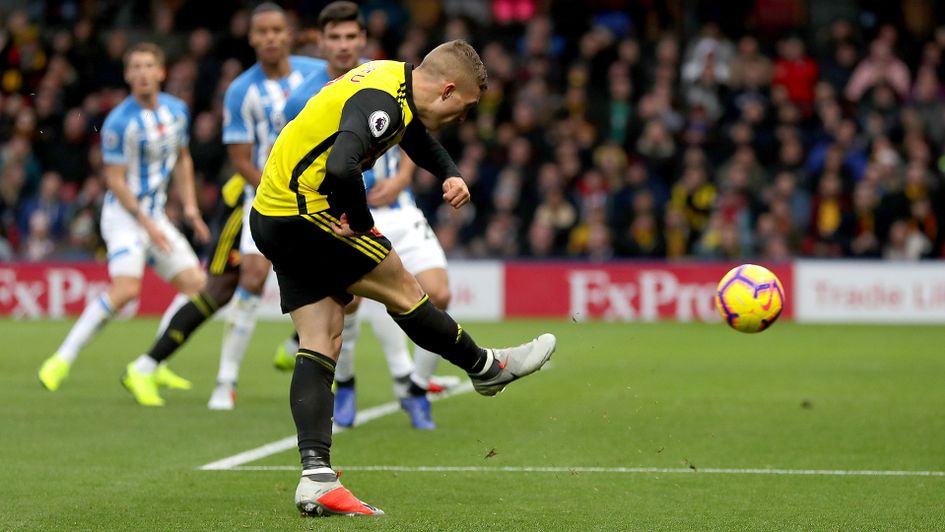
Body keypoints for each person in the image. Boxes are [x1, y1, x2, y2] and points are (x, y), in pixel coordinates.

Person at [250, 40, 557, 516]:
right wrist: (358, 219)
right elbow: (341, 164)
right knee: (403, 286)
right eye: (467, 107)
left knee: (322, 337)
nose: (465, 117)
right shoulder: (382, 102)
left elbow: (410, 134)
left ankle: (316, 477)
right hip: (307, 213)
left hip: (272, 215)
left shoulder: (392, 78)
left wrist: (449, 172)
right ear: (449, 89)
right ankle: (486, 368)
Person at [127, 3, 325, 410]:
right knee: (240, 282)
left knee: (338, 280)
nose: (270, 37)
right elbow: (240, 158)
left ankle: (293, 348)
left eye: (277, 30)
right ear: (251, 38)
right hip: (258, 197)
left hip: (316, 198)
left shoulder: (314, 74)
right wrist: (281, 192)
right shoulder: (240, 91)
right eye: (262, 32)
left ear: (287, 34)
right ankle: (223, 381)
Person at [273, 1, 455, 430]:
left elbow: (414, 134)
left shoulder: (386, 76)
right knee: (348, 304)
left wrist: (404, 178)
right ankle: (349, 383)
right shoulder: (303, 96)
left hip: (396, 206)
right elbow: (299, 153)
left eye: (350, 37)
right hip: (344, 212)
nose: (342, 45)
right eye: (333, 38)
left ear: (362, 40)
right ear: (321, 42)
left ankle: (415, 387)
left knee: (439, 295)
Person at [37, 42, 211, 406]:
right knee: (126, 290)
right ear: (128, 74)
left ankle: (150, 365)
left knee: (196, 285)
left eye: (150, 65)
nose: (143, 73)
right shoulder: (119, 122)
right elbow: (114, 180)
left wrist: (192, 208)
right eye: (136, 67)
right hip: (124, 216)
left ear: (161, 72)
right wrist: (146, 223)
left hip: (155, 214)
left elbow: (182, 159)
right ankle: (61, 359)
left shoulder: (178, 111)